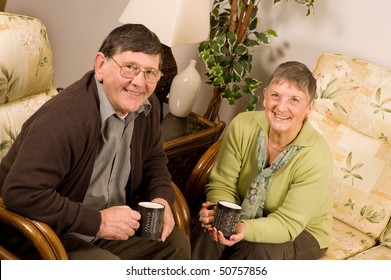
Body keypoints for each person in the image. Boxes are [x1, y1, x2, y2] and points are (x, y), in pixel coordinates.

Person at [0, 24, 190, 260]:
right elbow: (21, 193)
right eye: (130, 68)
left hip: (109, 225)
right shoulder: (65, 118)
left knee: (175, 244)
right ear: (101, 65)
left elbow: (154, 160)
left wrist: (161, 199)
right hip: (48, 230)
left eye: (150, 72)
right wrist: (100, 222)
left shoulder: (147, 109)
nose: (140, 83)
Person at [191, 61, 334, 260]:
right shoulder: (242, 125)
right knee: (208, 231)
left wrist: (242, 228)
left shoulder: (318, 158)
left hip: (302, 230)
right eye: (276, 95)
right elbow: (223, 183)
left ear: (310, 107)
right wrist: (221, 215)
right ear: (265, 96)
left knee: (255, 250)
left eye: (295, 100)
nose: (281, 107)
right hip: (242, 213)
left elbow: (289, 222)